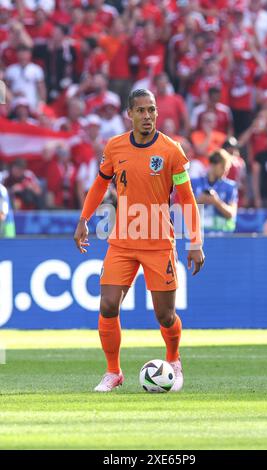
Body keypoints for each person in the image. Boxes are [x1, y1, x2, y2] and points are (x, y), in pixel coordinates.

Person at [74, 89, 205, 393]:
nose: (148, 116)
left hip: (159, 242)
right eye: (142, 111)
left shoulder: (171, 150)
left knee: (165, 314)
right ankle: (113, 372)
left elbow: (187, 199)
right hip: (122, 240)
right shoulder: (115, 146)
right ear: (129, 114)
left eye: (152, 110)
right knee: (107, 305)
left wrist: (195, 241)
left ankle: (173, 360)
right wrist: (84, 219)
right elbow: (99, 184)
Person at [192, 149, 238, 233]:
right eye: (223, 167)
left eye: (227, 168)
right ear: (212, 165)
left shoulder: (230, 186)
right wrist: (198, 201)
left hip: (222, 237)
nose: (226, 171)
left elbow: (232, 214)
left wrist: (216, 202)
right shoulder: (194, 183)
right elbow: (180, 211)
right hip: (199, 236)